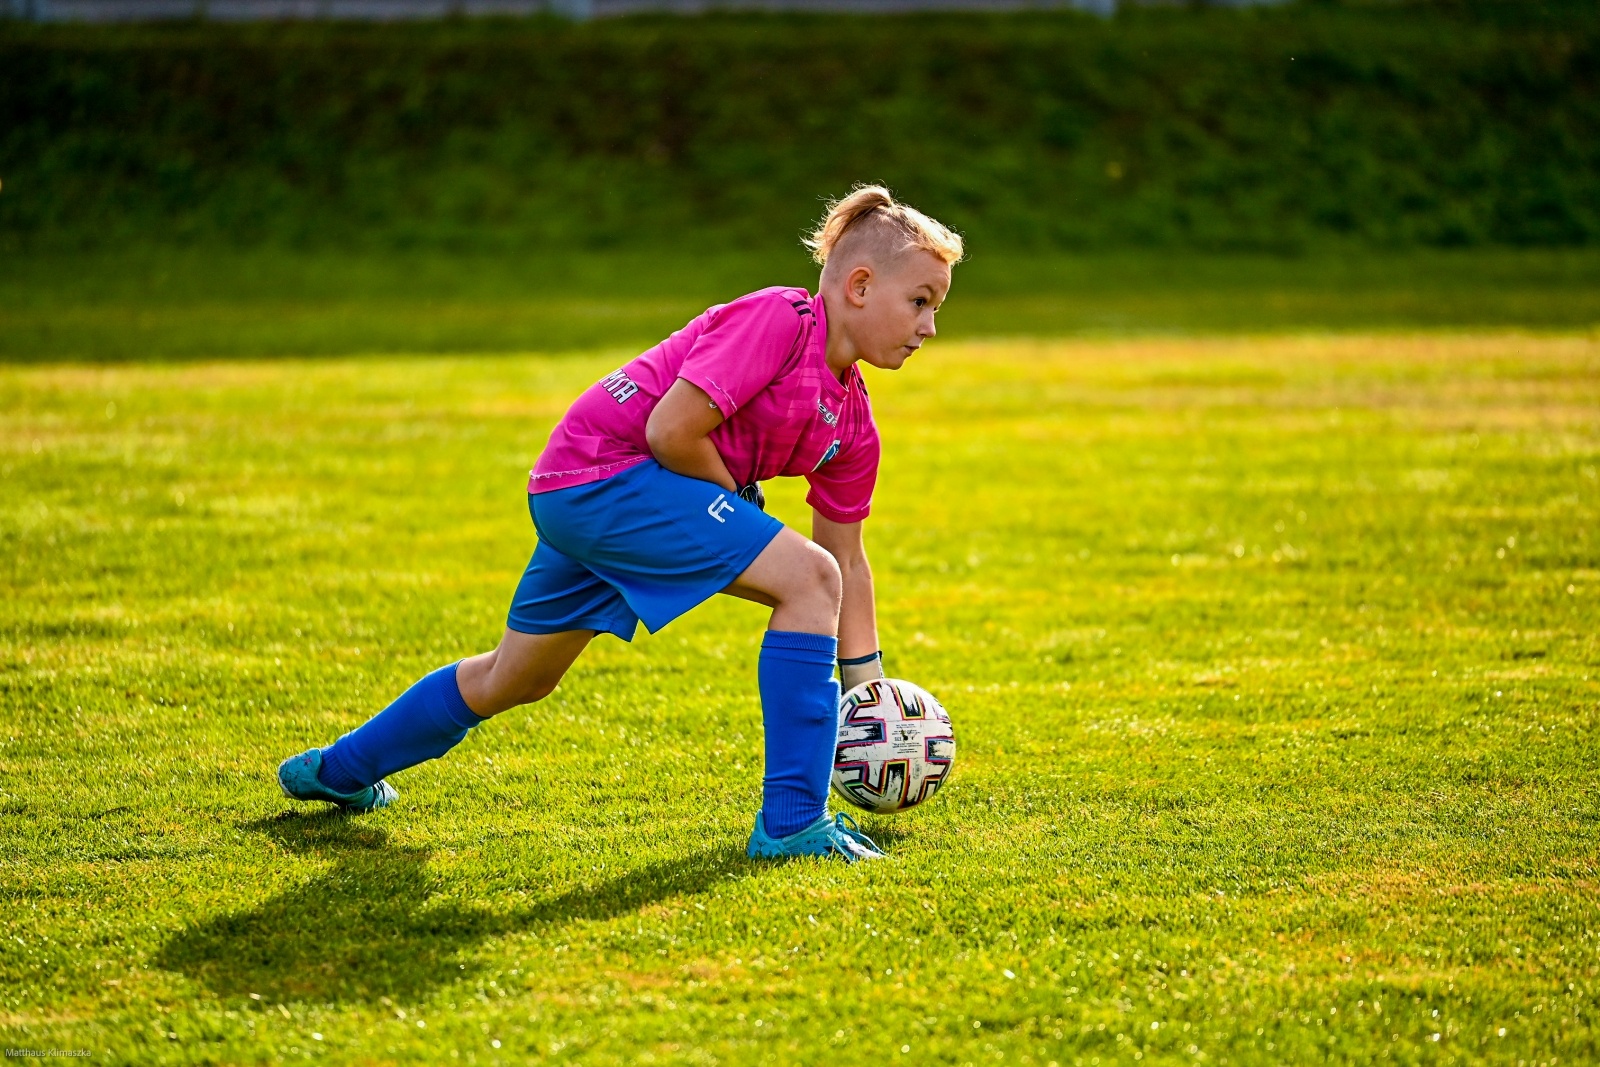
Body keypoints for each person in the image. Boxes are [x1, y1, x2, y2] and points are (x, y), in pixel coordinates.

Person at [277, 185, 963, 862]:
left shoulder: (854, 425)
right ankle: (791, 824)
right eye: (921, 302)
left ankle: (338, 771)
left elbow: (847, 556)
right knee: (805, 579)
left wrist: (871, 697)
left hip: (592, 493)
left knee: (513, 677)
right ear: (861, 286)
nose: (930, 327)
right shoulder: (781, 319)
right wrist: (737, 502)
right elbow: (670, 430)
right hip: (604, 472)